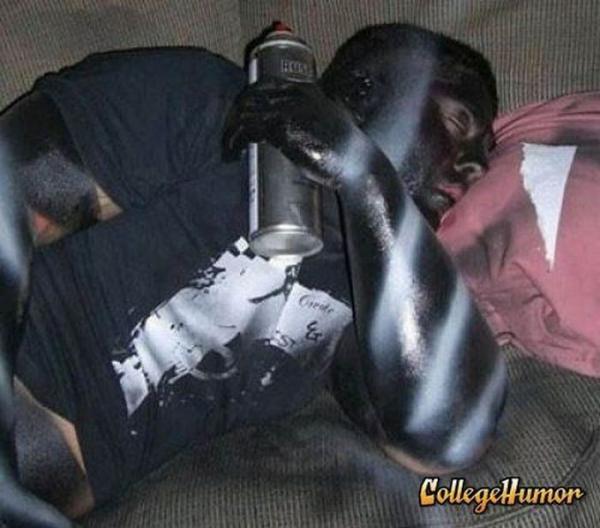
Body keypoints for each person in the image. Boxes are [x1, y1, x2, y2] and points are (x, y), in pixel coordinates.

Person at [0, 24, 507, 526]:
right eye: (458, 123)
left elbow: (448, 438)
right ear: (365, 92)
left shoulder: (377, 299)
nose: (475, 169)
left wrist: (366, 179)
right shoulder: (212, 103)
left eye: (484, 153)